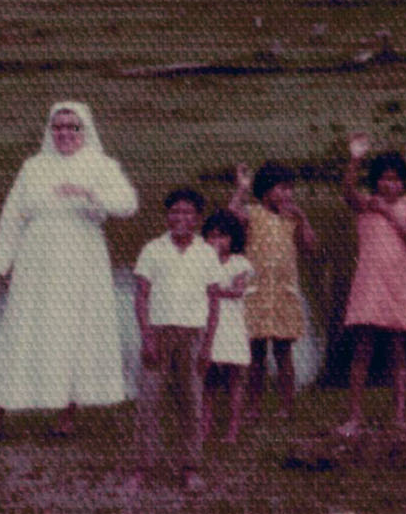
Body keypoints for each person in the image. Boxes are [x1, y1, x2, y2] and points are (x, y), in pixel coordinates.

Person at [0, 100, 136, 441]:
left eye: (72, 127)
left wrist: (90, 193)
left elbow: (127, 204)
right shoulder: (34, 166)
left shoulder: (101, 164)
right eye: (58, 127)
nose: (65, 133)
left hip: (82, 263)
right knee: (22, 332)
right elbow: (12, 218)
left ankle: (66, 415)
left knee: (75, 334)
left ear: (85, 130)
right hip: (37, 262)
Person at [130, 188, 217, 486]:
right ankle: (142, 468)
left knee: (191, 402)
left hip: (193, 335)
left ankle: (190, 467)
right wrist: (147, 338)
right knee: (149, 402)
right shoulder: (152, 249)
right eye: (175, 212)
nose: (181, 218)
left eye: (188, 213)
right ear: (167, 216)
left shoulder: (206, 253)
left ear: (197, 218)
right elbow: (141, 297)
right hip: (159, 332)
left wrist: (207, 347)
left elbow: (214, 302)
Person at [337, 143, 406, 440]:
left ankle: (399, 417)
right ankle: (354, 417)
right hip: (370, 285)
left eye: (396, 179)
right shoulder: (366, 203)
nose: (391, 185)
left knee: (398, 351)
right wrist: (355, 159)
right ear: (375, 180)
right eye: (385, 179)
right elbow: (347, 192)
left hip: (397, 286)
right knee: (362, 349)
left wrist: (390, 213)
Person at [226, 161, 320, 429]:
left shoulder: (292, 219)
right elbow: (231, 217)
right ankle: (254, 407)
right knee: (255, 356)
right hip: (256, 294)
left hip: (283, 295)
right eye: (282, 188)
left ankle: (287, 406)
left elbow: (310, 247)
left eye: (290, 189)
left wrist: (303, 219)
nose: (288, 194)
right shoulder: (253, 213)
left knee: (284, 353)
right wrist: (241, 189)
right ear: (266, 191)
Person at [201, 209, 256, 445]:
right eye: (211, 237)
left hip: (231, 325)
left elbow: (238, 291)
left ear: (233, 238)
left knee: (235, 380)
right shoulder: (201, 262)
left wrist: (215, 291)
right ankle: (204, 428)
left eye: (222, 236)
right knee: (208, 380)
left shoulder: (239, 262)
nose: (216, 242)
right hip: (208, 324)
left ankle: (232, 431)